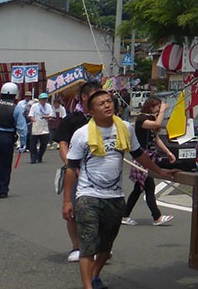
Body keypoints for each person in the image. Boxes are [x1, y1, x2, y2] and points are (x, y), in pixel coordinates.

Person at [62, 89, 178, 289]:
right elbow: (72, 169)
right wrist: (67, 201)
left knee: (106, 246)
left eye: (109, 101)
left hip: (115, 197)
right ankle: (88, 286)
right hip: (87, 196)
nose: (107, 105)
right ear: (90, 111)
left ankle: (95, 276)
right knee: (88, 246)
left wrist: (160, 171)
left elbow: (138, 154)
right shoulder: (81, 135)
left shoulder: (124, 128)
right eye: (101, 103)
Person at [54, 81, 99, 262]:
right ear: (84, 97)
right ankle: (76, 247)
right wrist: (71, 165)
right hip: (76, 172)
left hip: (99, 173)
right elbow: (62, 144)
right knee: (72, 209)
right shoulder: (72, 119)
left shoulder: (105, 120)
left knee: (98, 211)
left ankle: (97, 246)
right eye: (96, 96)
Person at [121, 97, 176, 227]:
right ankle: (157, 216)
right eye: (157, 107)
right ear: (150, 107)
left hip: (149, 157)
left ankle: (124, 215)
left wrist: (168, 153)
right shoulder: (141, 119)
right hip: (142, 157)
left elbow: (156, 139)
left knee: (139, 188)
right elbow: (158, 125)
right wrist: (163, 110)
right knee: (148, 187)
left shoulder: (150, 119)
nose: (158, 110)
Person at [27, 92, 55, 164]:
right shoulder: (34, 106)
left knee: (44, 144)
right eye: (42, 99)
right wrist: (34, 120)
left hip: (44, 126)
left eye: (45, 99)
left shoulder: (48, 106)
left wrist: (45, 117)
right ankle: (33, 158)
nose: (44, 100)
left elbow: (51, 115)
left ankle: (40, 157)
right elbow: (31, 115)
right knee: (33, 144)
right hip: (36, 125)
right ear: (39, 100)